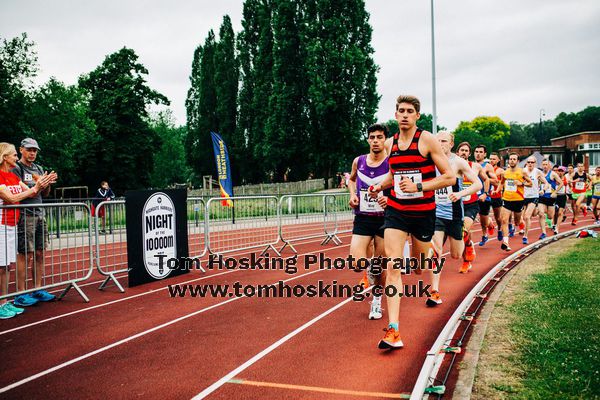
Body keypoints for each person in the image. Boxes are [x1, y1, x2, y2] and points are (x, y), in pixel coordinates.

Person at [369, 95, 455, 349]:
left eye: (409, 111)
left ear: (417, 115)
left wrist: (419, 185)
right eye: (400, 111)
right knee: (393, 268)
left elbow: (449, 177)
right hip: (396, 211)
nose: (404, 115)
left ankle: (429, 259)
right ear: (395, 115)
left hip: (423, 213)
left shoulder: (426, 139)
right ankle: (393, 330)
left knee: (419, 266)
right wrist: (379, 185)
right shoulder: (389, 143)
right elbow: (394, 176)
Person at [0, 142, 54, 318]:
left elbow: (37, 193)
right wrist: (36, 187)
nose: (32, 153)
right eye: (15, 154)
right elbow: (12, 197)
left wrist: (44, 184)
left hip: (22, 221)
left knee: (16, 262)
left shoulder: (31, 170)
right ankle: (16, 296)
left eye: (35, 150)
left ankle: (14, 298)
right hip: (14, 220)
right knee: (16, 258)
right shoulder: (10, 172)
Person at [429, 132, 481, 306]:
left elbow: (478, 184)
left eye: (443, 141)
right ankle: (434, 291)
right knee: (435, 251)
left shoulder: (458, 162)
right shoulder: (429, 161)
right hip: (436, 214)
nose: (440, 144)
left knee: (456, 255)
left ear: (451, 144)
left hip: (455, 216)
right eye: (437, 141)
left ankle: (467, 243)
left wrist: (459, 193)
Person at [348, 124, 390, 320]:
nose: (375, 140)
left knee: (379, 266)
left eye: (379, 137)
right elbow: (352, 180)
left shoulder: (392, 163)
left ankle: (376, 301)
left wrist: (389, 199)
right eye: (372, 137)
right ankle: (369, 269)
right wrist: (352, 195)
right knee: (356, 263)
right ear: (368, 140)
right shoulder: (359, 161)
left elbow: (401, 187)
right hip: (363, 217)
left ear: (385, 140)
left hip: (384, 219)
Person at [11, 138, 58, 307]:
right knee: (25, 254)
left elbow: (43, 194)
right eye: (29, 150)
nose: (32, 153)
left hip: (40, 214)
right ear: (21, 149)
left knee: (39, 252)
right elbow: (29, 192)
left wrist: (48, 184)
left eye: (35, 150)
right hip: (25, 215)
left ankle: (38, 289)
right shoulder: (16, 169)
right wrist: (39, 184)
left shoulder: (38, 168)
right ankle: (20, 293)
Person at [455, 142, 487, 273]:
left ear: (469, 153)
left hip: (471, 205)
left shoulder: (475, 166)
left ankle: (466, 262)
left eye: (466, 151)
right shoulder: (452, 166)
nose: (464, 152)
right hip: (456, 204)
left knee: (463, 231)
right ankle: (469, 245)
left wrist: (485, 193)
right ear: (457, 152)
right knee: (462, 234)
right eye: (461, 150)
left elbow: (486, 179)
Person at [493, 153, 532, 251]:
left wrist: (521, 183)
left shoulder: (522, 172)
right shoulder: (505, 173)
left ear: (518, 161)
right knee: (504, 220)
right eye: (510, 159)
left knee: (517, 222)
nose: (512, 161)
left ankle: (521, 222)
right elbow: (501, 183)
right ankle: (505, 242)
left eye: (514, 159)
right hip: (506, 199)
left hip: (518, 200)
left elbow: (530, 183)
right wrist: (497, 191)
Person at [473, 145, 498, 245]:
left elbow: (496, 181)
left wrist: (484, 177)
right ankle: (485, 235)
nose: (478, 154)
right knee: (473, 217)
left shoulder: (487, 166)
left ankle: (486, 230)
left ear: (485, 154)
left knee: (483, 219)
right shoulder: (471, 165)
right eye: (476, 151)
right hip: (473, 195)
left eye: (480, 152)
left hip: (484, 196)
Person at [521, 157, 549, 244]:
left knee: (526, 216)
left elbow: (546, 183)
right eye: (528, 162)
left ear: (535, 163)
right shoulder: (523, 171)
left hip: (534, 196)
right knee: (527, 216)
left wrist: (543, 190)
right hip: (524, 197)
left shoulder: (537, 171)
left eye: (532, 162)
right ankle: (538, 211)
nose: (530, 164)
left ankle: (525, 236)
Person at [538, 159, 562, 237]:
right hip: (542, 197)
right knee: (541, 213)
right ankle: (544, 232)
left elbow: (561, 183)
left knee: (550, 216)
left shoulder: (553, 174)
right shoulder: (539, 174)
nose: (545, 166)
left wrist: (555, 192)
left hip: (551, 197)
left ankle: (555, 209)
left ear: (549, 166)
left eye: (546, 164)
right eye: (543, 164)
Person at [486, 152, 505, 243]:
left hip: (496, 196)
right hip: (486, 195)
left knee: (498, 217)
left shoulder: (500, 171)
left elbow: (499, 183)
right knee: (484, 215)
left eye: (494, 159)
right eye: (490, 158)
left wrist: (487, 179)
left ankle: (500, 229)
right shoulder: (485, 168)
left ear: (498, 160)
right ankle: (489, 226)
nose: (492, 160)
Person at [553, 166, 568, 233]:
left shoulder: (566, 178)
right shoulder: (554, 179)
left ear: (564, 172)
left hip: (562, 197)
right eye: (559, 171)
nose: (560, 172)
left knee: (560, 212)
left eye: (562, 171)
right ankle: (554, 224)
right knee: (555, 212)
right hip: (555, 197)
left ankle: (557, 228)